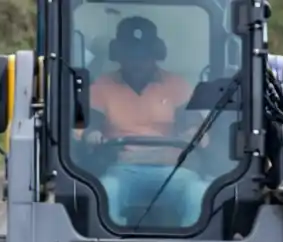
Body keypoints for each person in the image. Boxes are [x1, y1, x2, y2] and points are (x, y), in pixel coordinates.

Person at [84, 16, 208, 227]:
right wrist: (92, 135)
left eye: (144, 54)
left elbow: (196, 130)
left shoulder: (177, 86)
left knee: (199, 192)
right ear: (119, 55)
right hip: (121, 169)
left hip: (172, 170)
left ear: (155, 55)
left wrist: (194, 135)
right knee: (105, 190)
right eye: (130, 54)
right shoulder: (102, 86)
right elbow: (88, 129)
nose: (137, 61)